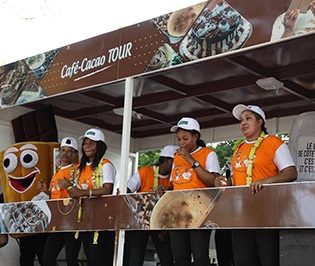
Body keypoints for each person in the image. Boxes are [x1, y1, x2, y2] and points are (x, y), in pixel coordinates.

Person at [214, 104, 297, 265]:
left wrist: (266, 181)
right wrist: (225, 182)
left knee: (267, 258)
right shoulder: (239, 147)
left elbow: (291, 173)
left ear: (260, 122)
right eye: (241, 120)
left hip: (266, 211)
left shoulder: (274, 142)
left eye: (248, 118)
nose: (243, 123)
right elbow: (235, 179)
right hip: (240, 213)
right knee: (243, 259)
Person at [169, 117, 221, 266]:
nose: (181, 143)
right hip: (178, 212)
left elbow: (213, 182)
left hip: (200, 212)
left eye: (185, 138)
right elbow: (174, 185)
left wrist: (191, 160)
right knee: (179, 257)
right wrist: (163, 188)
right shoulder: (176, 157)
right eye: (178, 139)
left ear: (196, 136)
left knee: (200, 257)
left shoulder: (208, 154)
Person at [64, 128, 116, 266]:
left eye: (91, 143)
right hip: (85, 218)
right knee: (88, 255)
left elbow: (107, 189)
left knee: (97, 256)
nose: (87, 146)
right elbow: (77, 190)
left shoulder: (106, 165)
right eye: (85, 143)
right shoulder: (80, 168)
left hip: (102, 218)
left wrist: (82, 193)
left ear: (100, 146)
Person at [123, 145, 178, 266]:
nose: (176, 166)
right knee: (135, 259)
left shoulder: (174, 179)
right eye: (175, 162)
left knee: (167, 258)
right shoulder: (145, 171)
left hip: (161, 223)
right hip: (140, 221)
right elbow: (127, 190)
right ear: (167, 160)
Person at [36, 137, 79, 266]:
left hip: (72, 219)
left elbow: (80, 192)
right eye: (63, 150)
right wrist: (46, 191)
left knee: (71, 259)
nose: (65, 153)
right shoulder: (58, 171)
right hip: (56, 220)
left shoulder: (78, 169)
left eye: (70, 151)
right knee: (47, 258)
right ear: (59, 152)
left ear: (75, 154)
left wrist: (70, 185)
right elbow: (55, 196)